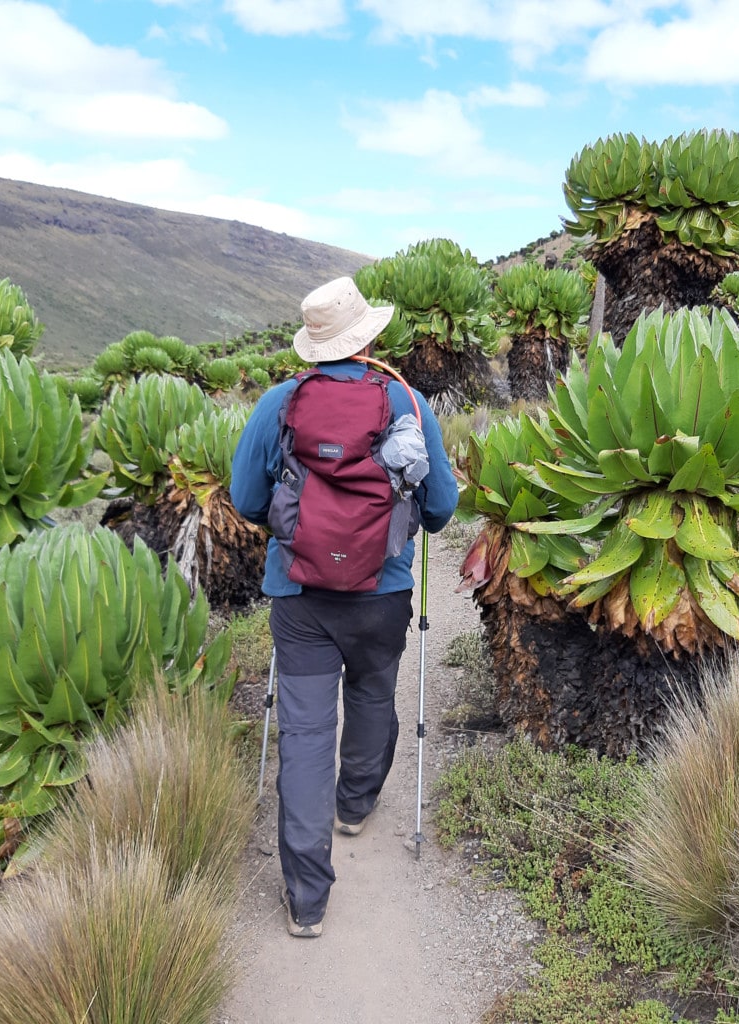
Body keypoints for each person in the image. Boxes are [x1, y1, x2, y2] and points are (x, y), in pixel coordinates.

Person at [230, 276, 458, 938]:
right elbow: (440, 510)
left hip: (299, 600)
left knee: (303, 736)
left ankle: (306, 900)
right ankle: (355, 804)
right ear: (370, 336)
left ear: (313, 344)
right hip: (381, 596)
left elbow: (247, 500)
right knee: (370, 696)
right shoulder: (409, 403)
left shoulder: (277, 404)